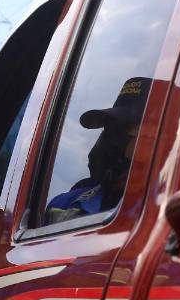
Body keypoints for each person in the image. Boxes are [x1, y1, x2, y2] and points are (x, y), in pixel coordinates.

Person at [45, 76, 152, 225]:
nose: (112, 139)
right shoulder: (65, 206)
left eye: (127, 127)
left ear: (162, 138)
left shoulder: (163, 212)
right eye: (110, 128)